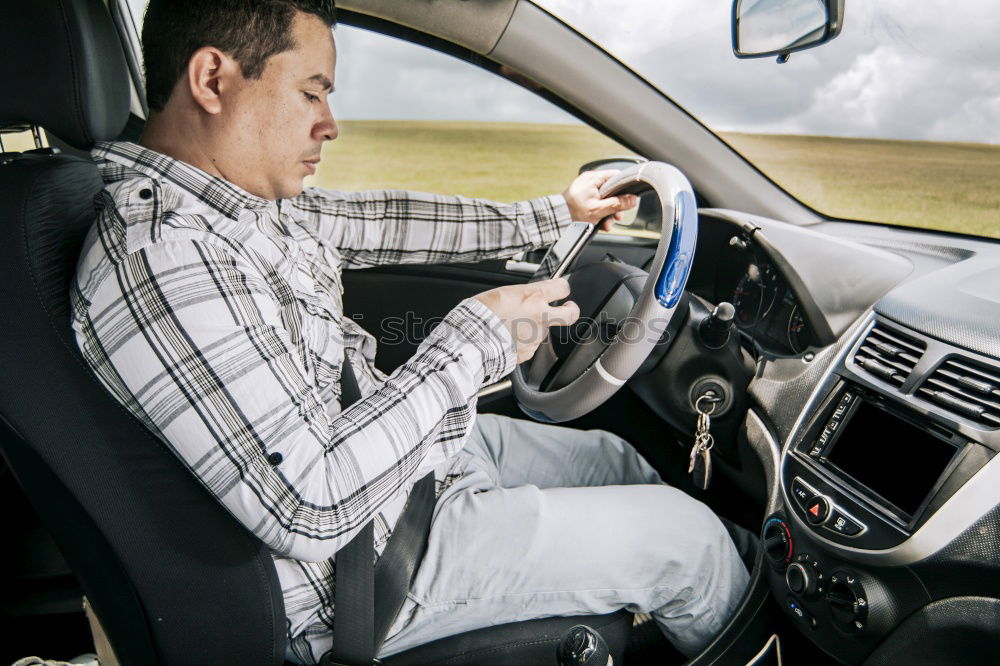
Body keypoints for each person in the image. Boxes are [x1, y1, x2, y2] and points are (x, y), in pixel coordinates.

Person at [70, 0, 749, 662]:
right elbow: (312, 502)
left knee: (615, 460)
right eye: (312, 93)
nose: (329, 124)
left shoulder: (235, 204)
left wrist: (553, 215)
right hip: (365, 574)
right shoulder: (164, 256)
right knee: (687, 544)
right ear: (214, 80)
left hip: (402, 476)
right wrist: (475, 336)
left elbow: (383, 219)